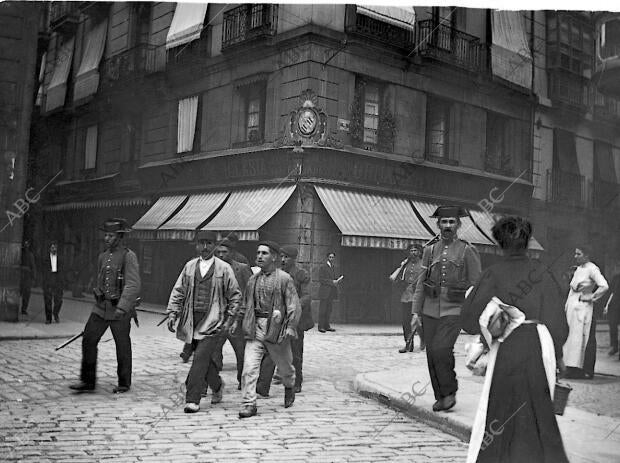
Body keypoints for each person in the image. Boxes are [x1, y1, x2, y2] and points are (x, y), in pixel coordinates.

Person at [461, 216, 569, 463]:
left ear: (499, 243)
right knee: (540, 410)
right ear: (528, 242)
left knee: (501, 409)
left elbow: (467, 319)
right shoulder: (543, 272)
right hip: (539, 345)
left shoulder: (492, 274)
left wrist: (491, 320)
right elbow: (557, 321)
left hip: (506, 348)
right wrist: (560, 355)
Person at [411, 206, 481, 412]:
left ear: (458, 225)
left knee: (442, 349)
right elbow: (419, 283)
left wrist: (472, 312)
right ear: (438, 225)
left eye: (452, 222)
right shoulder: (430, 250)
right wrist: (416, 312)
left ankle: (450, 391)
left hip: (455, 309)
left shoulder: (468, 250)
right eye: (444, 222)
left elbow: (476, 285)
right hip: (430, 309)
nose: (448, 226)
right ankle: (440, 396)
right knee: (432, 353)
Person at [165, 230, 241, 413]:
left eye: (209, 243)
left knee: (199, 358)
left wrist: (230, 318)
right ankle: (217, 386)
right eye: (201, 243)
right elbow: (179, 291)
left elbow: (235, 295)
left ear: (214, 245)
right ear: (196, 245)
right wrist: (173, 313)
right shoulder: (190, 267)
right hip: (192, 320)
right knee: (204, 361)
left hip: (214, 321)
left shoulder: (224, 268)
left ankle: (193, 399)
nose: (205, 247)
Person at [70, 218, 141, 394]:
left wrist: (122, 307)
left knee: (122, 345)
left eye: (111, 235)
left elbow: (133, 285)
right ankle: (87, 381)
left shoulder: (128, 256)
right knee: (88, 339)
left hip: (120, 311)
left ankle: (124, 383)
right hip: (101, 308)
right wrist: (97, 291)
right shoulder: (103, 256)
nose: (107, 238)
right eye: (106, 235)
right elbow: (100, 279)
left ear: (119, 237)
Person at [238, 241, 300, 418]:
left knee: (285, 368)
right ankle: (249, 403)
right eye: (258, 253)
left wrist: (290, 326)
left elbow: (293, 304)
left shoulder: (284, 279)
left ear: (274, 257)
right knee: (249, 367)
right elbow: (246, 304)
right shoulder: (252, 280)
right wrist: (238, 321)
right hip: (255, 327)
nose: (259, 256)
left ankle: (289, 386)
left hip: (277, 329)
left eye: (264, 253)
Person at [257, 245, 312, 395]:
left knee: (295, 353)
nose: (283, 259)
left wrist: (293, 307)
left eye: (286, 257)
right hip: (277, 318)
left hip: (295, 319)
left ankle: (296, 383)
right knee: (270, 351)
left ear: (294, 259)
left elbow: (307, 296)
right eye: (281, 256)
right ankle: (262, 386)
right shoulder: (276, 273)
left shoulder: (301, 274)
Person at [563, 245, 608, 379]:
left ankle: (583, 369)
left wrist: (591, 297)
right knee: (571, 338)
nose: (575, 256)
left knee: (581, 338)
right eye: (575, 254)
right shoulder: (578, 269)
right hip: (572, 306)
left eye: (578, 254)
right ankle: (570, 367)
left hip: (583, 308)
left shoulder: (592, 269)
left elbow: (604, 285)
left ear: (586, 255)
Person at [214, 239, 252, 391]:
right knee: (213, 352)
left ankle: (242, 381)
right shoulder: (213, 268)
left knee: (241, 352)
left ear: (232, 252)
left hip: (237, 318)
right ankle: (213, 383)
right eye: (219, 252)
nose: (222, 255)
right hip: (218, 318)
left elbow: (249, 292)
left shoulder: (242, 269)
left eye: (225, 252)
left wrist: (242, 315)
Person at [390, 243, 425, 353]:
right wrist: (401, 266)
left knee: (418, 322)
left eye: (416, 251)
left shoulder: (424, 264)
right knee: (406, 321)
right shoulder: (405, 264)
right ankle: (408, 344)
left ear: (420, 252)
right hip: (406, 296)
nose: (413, 253)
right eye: (411, 251)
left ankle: (423, 338)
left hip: (419, 296)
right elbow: (394, 279)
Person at [318, 251, 342, 332]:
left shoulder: (333, 267)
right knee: (323, 310)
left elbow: (334, 277)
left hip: (331, 292)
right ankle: (320, 326)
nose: (331, 259)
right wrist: (332, 282)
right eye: (330, 257)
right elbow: (321, 279)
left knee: (329, 310)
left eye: (333, 257)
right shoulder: (323, 267)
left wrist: (337, 280)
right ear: (327, 257)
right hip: (324, 292)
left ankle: (327, 325)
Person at [41, 241, 64, 324]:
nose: (54, 249)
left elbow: (63, 270)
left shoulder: (60, 258)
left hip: (57, 280)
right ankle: (48, 318)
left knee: (59, 300)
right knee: (48, 300)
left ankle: (56, 313)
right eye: (52, 247)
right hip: (48, 280)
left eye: (55, 247)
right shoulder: (45, 259)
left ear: (57, 248)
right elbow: (43, 271)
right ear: (49, 249)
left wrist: (61, 281)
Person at [604, 262, 620, 358]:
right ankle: (614, 346)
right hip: (615, 305)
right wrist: (607, 305)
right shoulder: (616, 278)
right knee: (613, 325)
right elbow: (612, 292)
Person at [20, 240, 36, 318]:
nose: (26, 246)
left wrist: (33, 278)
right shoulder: (20, 254)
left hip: (27, 278)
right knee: (19, 293)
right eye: (25, 244)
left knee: (26, 295)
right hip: (20, 277)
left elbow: (33, 267)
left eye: (27, 244)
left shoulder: (30, 255)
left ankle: (24, 309)